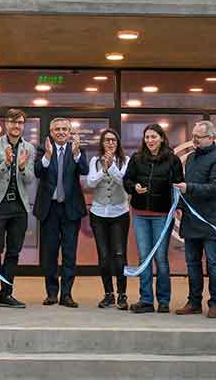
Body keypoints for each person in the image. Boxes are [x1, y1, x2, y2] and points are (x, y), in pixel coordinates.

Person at [123, 123, 182, 314]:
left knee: (161, 258)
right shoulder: (137, 158)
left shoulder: (172, 160)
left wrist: (178, 207)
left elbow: (179, 185)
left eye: (153, 137)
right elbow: (127, 180)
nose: (149, 141)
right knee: (144, 257)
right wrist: (134, 188)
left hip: (163, 215)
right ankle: (146, 300)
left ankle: (163, 300)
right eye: (147, 137)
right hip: (140, 214)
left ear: (162, 138)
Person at [0, 108, 36, 308]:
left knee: (14, 251)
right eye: (13, 122)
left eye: (20, 122)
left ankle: (7, 293)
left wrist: (21, 167)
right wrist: (7, 162)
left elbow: (30, 179)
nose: (17, 126)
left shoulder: (29, 147)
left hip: (18, 206)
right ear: (6, 124)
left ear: (23, 125)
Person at [174, 120, 216, 318]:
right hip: (190, 220)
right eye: (193, 136)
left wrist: (189, 188)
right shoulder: (190, 159)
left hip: (211, 221)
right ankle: (194, 301)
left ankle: (215, 303)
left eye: (199, 137)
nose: (194, 140)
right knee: (192, 263)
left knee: (213, 263)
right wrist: (179, 206)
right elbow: (186, 186)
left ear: (211, 138)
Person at [34, 117, 89, 308]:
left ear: (70, 132)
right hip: (49, 209)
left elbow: (84, 170)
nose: (61, 132)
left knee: (69, 253)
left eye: (65, 129)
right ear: (51, 132)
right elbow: (37, 172)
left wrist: (75, 155)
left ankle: (66, 294)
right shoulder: (42, 149)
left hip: (70, 209)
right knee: (49, 253)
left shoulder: (77, 149)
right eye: (57, 129)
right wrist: (48, 156)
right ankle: (51, 293)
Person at [86, 128, 130, 310]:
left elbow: (124, 181)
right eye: (107, 140)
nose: (110, 143)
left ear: (118, 143)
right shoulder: (95, 161)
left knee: (119, 255)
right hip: (98, 213)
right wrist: (103, 168)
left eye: (113, 140)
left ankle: (122, 294)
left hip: (119, 212)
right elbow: (90, 183)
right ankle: (108, 294)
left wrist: (111, 166)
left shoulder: (125, 161)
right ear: (102, 143)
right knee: (104, 257)